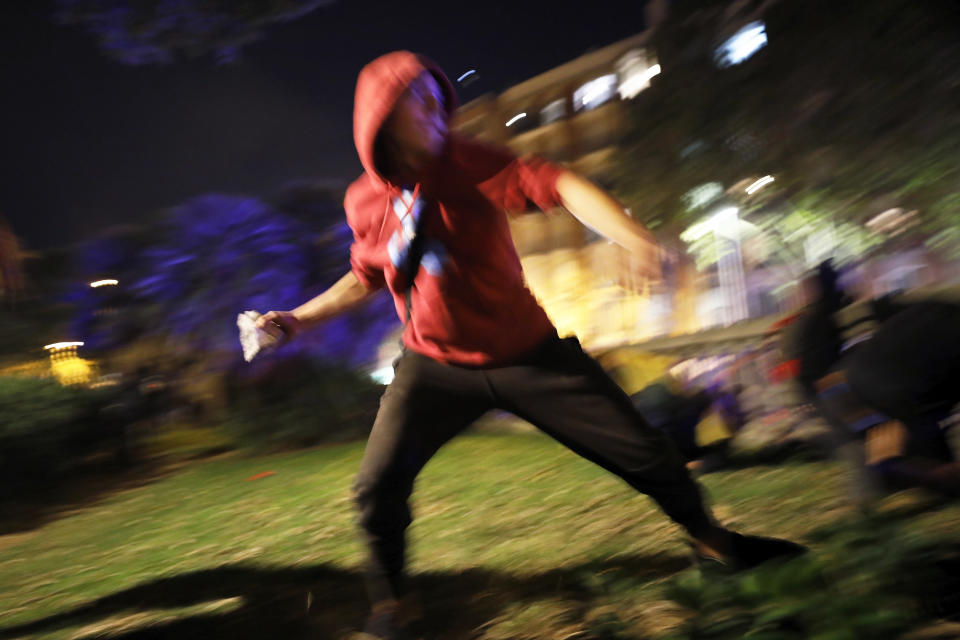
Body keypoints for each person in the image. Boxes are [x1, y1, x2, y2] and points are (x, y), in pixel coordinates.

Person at [259, 51, 803, 639]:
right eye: (417, 99)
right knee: (376, 486)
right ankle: (395, 609)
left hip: (528, 353)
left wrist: (634, 237)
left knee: (645, 452)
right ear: (381, 118)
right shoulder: (364, 201)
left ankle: (717, 546)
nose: (437, 106)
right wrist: (297, 318)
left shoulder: (471, 162)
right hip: (434, 366)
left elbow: (560, 183)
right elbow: (365, 275)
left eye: (436, 94)